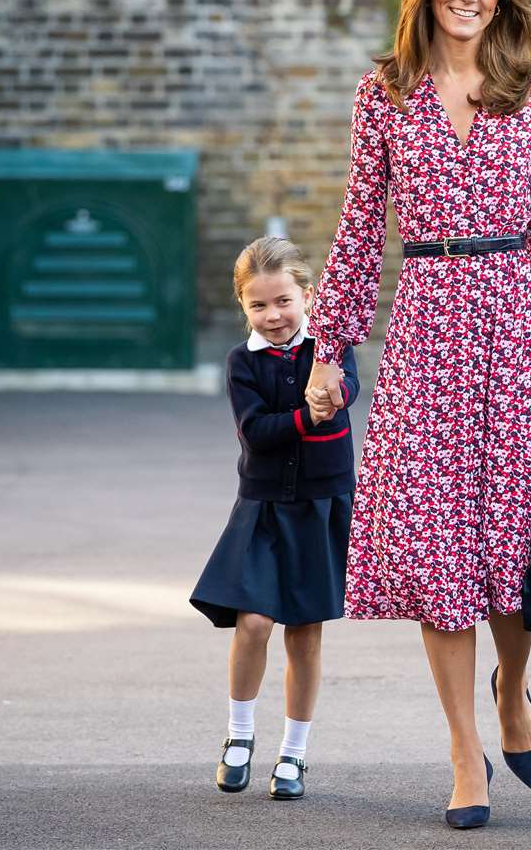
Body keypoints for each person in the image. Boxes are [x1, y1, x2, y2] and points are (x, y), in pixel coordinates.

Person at [302, 0, 531, 831]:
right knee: (439, 553)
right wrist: (328, 350)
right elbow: (357, 237)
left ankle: (514, 691)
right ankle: (466, 753)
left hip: (511, 320)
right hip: (426, 323)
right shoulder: (383, 95)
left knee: (509, 543)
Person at [190, 235, 360, 801]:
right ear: (243, 306)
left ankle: (294, 753)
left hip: (321, 505)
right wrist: (304, 417)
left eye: (283, 301)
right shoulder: (243, 362)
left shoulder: (331, 349)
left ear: (307, 296)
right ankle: (239, 737)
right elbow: (256, 433)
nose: (273, 315)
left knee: (305, 634)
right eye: (258, 305)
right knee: (255, 623)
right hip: (262, 506)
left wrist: (327, 394)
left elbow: (346, 392)